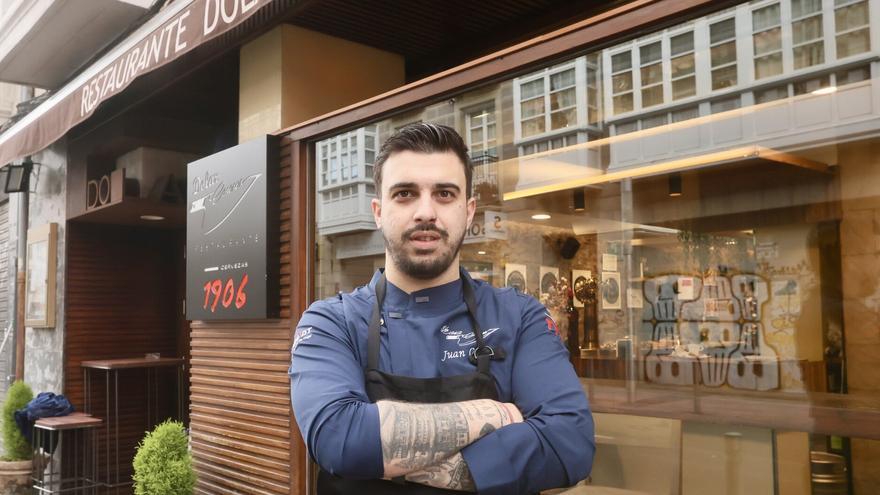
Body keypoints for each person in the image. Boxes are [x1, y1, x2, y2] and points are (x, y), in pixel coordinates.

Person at [289, 123, 595, 494]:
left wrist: (380, 454)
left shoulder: (520, 317)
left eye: (444, 194)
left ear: (468, 212)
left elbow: (570, 443)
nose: (425, 211)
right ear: (378, 211)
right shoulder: (331, 322)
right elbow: (338, 439)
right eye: (405, 193)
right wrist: (498, 416)